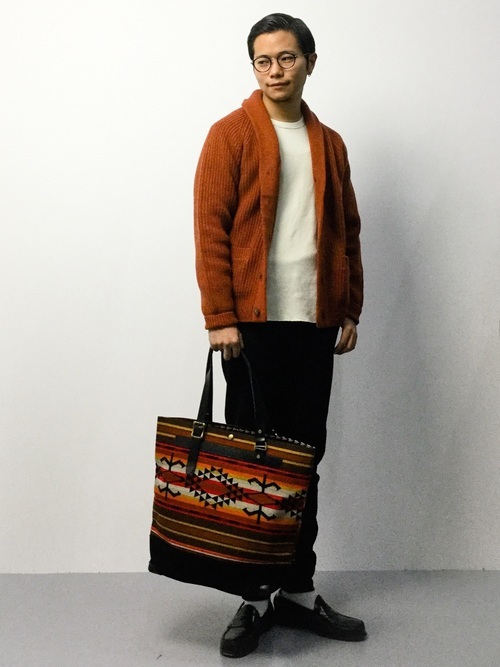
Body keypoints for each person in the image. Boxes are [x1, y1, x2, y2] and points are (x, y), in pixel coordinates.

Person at [194, 12, 366, 658]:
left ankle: (297, 588)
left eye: (287, 58)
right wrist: (220, 316)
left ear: (310, 63)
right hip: (252, 327)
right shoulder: (230, 134)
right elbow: (210, 229)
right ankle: (254, 596)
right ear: (254, 67)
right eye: (263, 61)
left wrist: (349, 307)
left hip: (314, 323)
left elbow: (348, 229)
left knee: (304, 461)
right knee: (252, 464)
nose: (275, 71)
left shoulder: (330, 143)